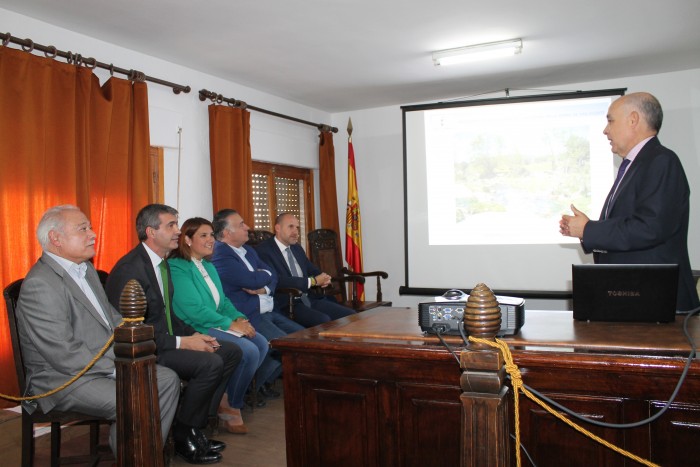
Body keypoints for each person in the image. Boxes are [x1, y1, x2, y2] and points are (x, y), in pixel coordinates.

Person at [16, 205, 180, 457]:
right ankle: (138, 457)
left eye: (90, 227)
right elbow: (63, 353)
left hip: (98, 366)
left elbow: (112, 318)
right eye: (83, 229)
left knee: (168, 380)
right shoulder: (40, 284)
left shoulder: (86, 269)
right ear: (55, 238)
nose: (93, 234)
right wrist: (118, 369)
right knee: (134, 398)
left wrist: (140, 344)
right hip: (63, 379)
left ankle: (142, 456)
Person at [106, 204, 241, 464]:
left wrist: (194, 335)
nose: (178, 231)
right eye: (171, 225)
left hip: (164, 340)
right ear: (150, 232)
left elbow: (169, 317)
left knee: (230, 350)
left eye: (177, 225)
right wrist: (183, 342)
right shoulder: (130, 270)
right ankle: (183, 432)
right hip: (144, 351)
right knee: (210, 363)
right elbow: (130, 331)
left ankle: (194, 426)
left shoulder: (162, 264)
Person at [560, 92, 700, 312]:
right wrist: (585, 231)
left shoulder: (661, 161)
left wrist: (589, 230)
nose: (605, 130)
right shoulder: (633, 165)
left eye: (610, 120)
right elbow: (630, 224)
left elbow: (650, 228)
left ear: (633, 120)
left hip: (657, 302)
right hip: (635, 298)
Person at [168, 217, 268, 433]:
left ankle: (226, 396)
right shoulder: (177, 267)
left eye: (212, 235)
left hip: (216, 321)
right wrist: (230, 325)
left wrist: (240, 319)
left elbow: (222, 302)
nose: (210, 240)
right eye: (203, 235)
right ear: (187, 239)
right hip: (196, 327)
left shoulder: (208, 265)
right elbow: (194, 310)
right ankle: (232, 405)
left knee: (261, 343)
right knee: (249, 351)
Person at [210, 209, 304, 400]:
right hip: (248, 314)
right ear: (227, 233)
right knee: (284, 345)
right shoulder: (221, 254)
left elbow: (272, 275)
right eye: (241, 224)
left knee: (301, 338)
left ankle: (259, 384)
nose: (248, 227)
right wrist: (262, 278)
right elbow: (251, 280)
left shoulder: (249, 250)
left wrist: (264, 287)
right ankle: (247, 391)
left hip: (268, 309)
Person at [255, 213, 356, 327]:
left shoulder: (296, 248)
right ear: (277, 228)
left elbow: (311, 269)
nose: (295, 232)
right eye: (291, 227)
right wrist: (312, 281)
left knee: (350, 315)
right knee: (324, 320)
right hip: (287, 303)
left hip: (308, 298)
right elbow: (276, 280)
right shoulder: (264, 251)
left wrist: (323, 277)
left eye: (297, 228)